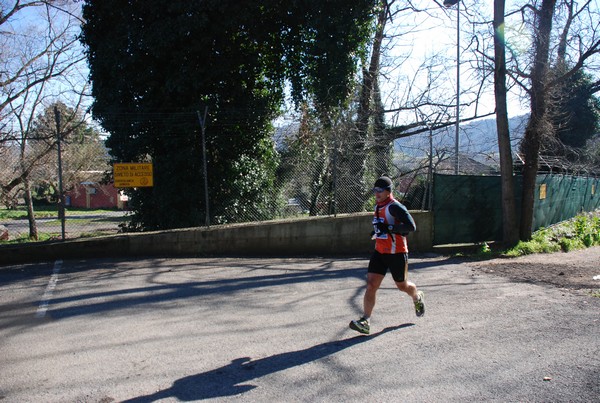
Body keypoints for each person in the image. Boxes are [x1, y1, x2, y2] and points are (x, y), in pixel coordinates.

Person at [349, 176, 425, 335]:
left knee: (402, 286)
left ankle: (417, 296)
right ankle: (365, 321)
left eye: (380, 190)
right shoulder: (378, 206)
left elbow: (411, 227)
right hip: (380, 252)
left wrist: (389, 227)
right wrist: (377, 231)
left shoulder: (395, 207)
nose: (376, 193)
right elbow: (382, 226)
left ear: (388, 191)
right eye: (374, 190)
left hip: (397, 253)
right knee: (371, 285)